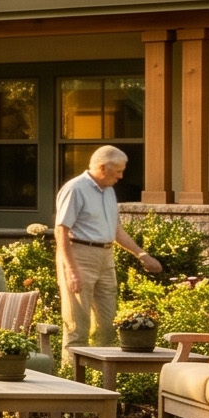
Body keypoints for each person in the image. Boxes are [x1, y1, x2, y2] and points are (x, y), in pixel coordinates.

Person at [54, 145, 161, 349]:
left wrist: (142, 255)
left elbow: (116, 231)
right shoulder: (75, 189)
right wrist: (73, 271)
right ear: (103, 168)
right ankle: (71, 376)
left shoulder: (109, 191)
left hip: (105, 256)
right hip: (80, 255)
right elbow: (61, 231)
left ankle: (100, 377)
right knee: (78, 326)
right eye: (118, 171)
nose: (121, 176)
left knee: (107, 324)